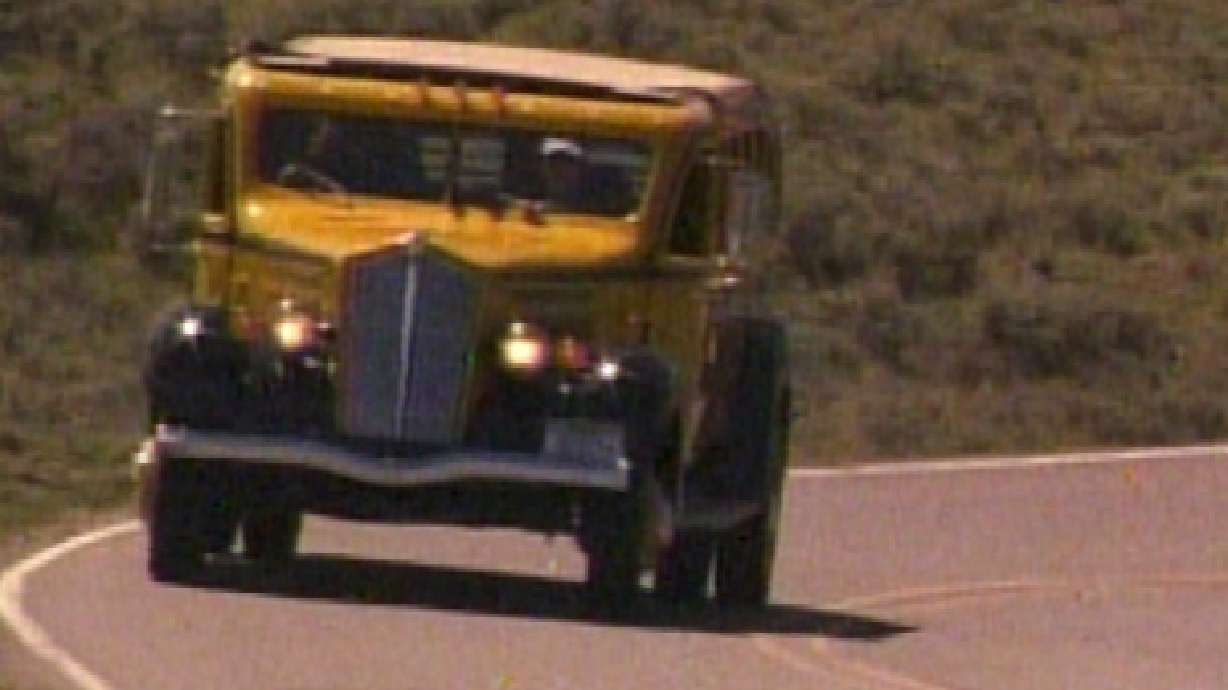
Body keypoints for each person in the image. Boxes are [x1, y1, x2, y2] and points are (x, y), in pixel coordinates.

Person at [538, 137, 631, 216]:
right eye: (552, 162)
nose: (558, 169)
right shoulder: (535, 195)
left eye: (567, 161)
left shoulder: (601, 201)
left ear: (580, 166)